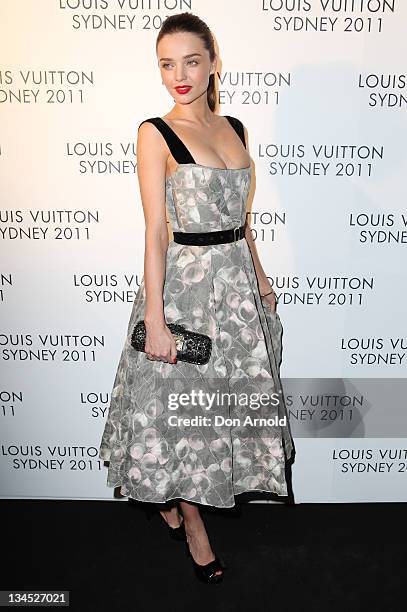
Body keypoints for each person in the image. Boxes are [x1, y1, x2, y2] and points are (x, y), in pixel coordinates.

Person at [99, 11, 295, 584]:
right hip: (186, 288)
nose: (178, 75)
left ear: (213, 63)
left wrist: (259, 276)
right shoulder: (154, 133)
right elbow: (156, 231)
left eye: (191, 61)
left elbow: (243, 218)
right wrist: (155, 318)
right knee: (179, 414)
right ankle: (194, 526)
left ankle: (175, 501)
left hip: (235, 288)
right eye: (166, 63)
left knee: (219, 412)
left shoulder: (235, 126)